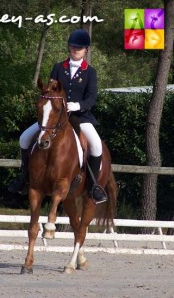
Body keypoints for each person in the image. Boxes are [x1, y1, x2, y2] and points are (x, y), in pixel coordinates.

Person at [8, 29, 107, 203]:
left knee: (97, 146)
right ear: (69, 47)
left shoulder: (90, 72)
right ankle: (24, 178)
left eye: (80, 47)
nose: (76, 49)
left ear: (86, 50)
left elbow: (92, 98)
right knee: (24, 138)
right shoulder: (58, 67)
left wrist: (77, 105)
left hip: (80, 117)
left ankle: (93, 188)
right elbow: (50, 90)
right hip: (55, 117)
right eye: (73, 46)